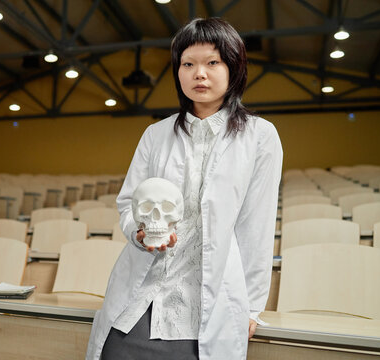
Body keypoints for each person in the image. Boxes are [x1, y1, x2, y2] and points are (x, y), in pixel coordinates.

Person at [86, 17, 283, 360]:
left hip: (208, 308)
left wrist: (251, 309)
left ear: (233, 67)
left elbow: (256, 228)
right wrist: (140, 233)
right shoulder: (156, 134)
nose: (199, 74)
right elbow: (129, 202)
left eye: (212, 63)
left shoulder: (260, 137)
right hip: (139, 303)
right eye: (187, 64)